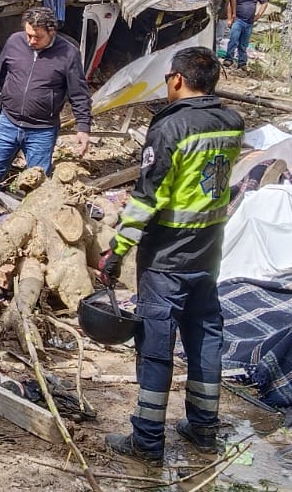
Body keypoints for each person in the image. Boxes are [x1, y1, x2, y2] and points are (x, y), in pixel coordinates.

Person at [99, 46, 243, 463]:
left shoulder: (170, 129)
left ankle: (146, 441)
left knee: (156, 346)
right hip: (208, 252)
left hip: (166, 257)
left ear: (177, 79)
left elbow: (147, 198)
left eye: (166, 79)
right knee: (204, 338)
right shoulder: (232, 122)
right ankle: (204, 428)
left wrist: (118, 250)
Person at [0, 6, 92, 240]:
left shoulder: (68, 54)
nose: (31, 40)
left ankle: (34, 233)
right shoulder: (15, 42)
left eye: (37, 37)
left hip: (42, 130)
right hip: (8, 123)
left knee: (37, 183)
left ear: (52, 31)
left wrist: (83, 127)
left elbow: (79, 93)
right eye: (29, 34)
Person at [224, 0, 267, 70]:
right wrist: (231, 18)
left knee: (244, 44)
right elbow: (231, 3)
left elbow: (264, 2)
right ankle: (229, 59)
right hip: (238, 20)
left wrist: (258, 15)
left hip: (249, 22)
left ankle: (242, 63)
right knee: (233, 40)